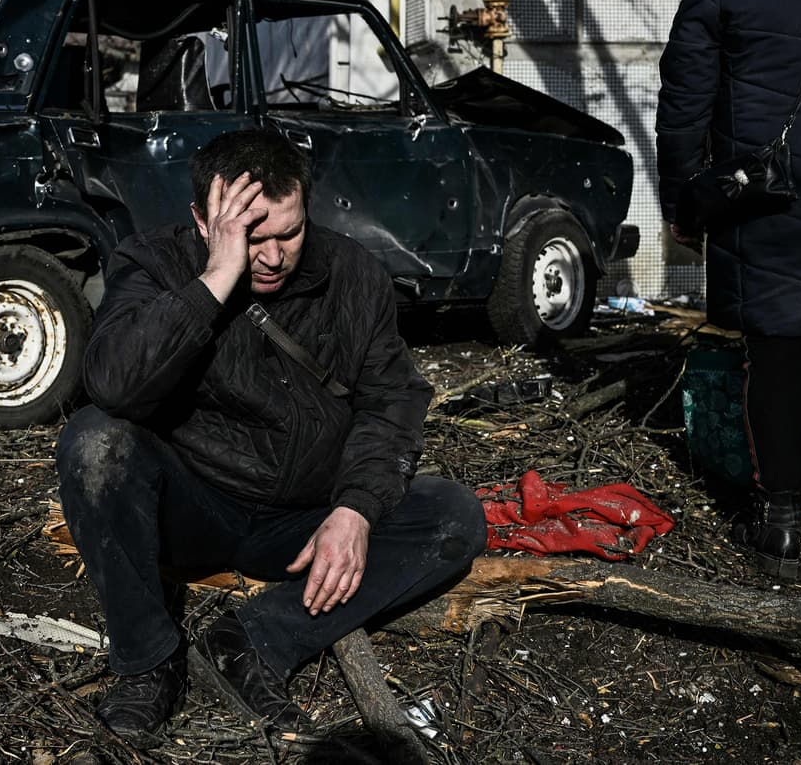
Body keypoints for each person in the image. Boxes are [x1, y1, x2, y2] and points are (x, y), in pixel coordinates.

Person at [55, 129, 486, 748]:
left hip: (303, 520)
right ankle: (148, 663)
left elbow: (393, 400)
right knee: (95, 443)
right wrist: (216, 278)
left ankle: (253, 640)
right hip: (193, 508)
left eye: (289, 232)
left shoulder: (353, 274)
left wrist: (356, 509)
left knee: (454, 517)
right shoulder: (152, 263)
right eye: (251, 237)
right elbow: (113, 387)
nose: (274, 255)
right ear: (203, 222)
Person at [657, 0, 801, 580]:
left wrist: (686, 197)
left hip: (769, 204)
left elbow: (684, 92)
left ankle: (780, 530)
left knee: (777, 361)